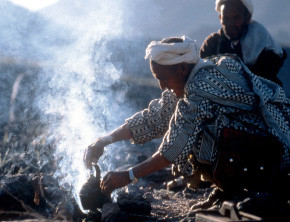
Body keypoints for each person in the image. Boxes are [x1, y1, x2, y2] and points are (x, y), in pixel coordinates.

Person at [83, 36, 290, 217]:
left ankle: (241, 190)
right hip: (263, 147)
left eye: (162, 78)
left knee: (197, 136)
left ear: (182, 68)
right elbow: (155, 118)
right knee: (192, 128)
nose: (162, 86)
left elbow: (174, 147)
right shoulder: (192, 77)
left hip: (276, 153)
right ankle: (227, 191)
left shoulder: (201, 87)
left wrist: (128, 175)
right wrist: (105, 140)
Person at [199, 0, 287, 86]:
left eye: (236, 18)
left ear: (247, 18)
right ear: (220, 18)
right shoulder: (212, 43)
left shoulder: (262, 45)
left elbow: (263, 82)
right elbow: (202, 75)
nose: (230, 24)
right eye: (226, 18)